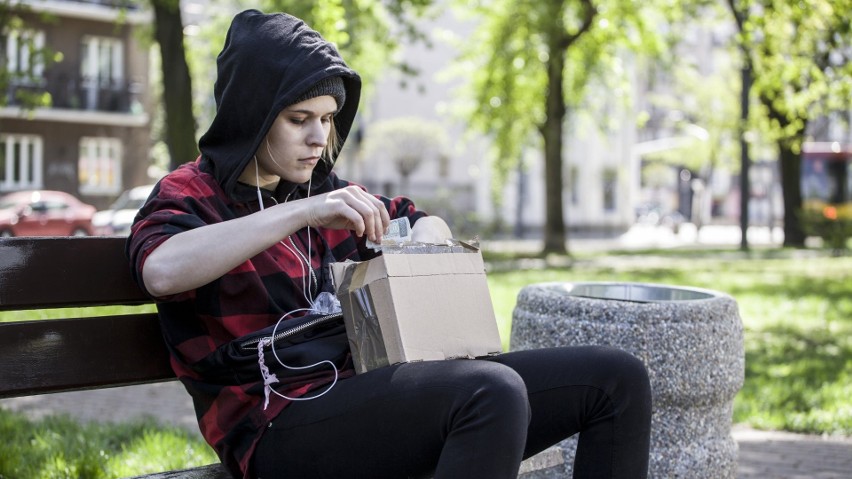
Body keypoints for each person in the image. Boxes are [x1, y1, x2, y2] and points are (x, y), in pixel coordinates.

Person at [127, 9, 652, 479]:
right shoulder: (193, 194)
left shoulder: (326, 193)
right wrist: (302, 211)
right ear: (251, 115)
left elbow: (422, 221)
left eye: (328, 119)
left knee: (616, 378)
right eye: (298, 120)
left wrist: (424, 239)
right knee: (490, 394)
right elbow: (161, 271)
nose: (318, 138)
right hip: (274, 423)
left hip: (368, 393)